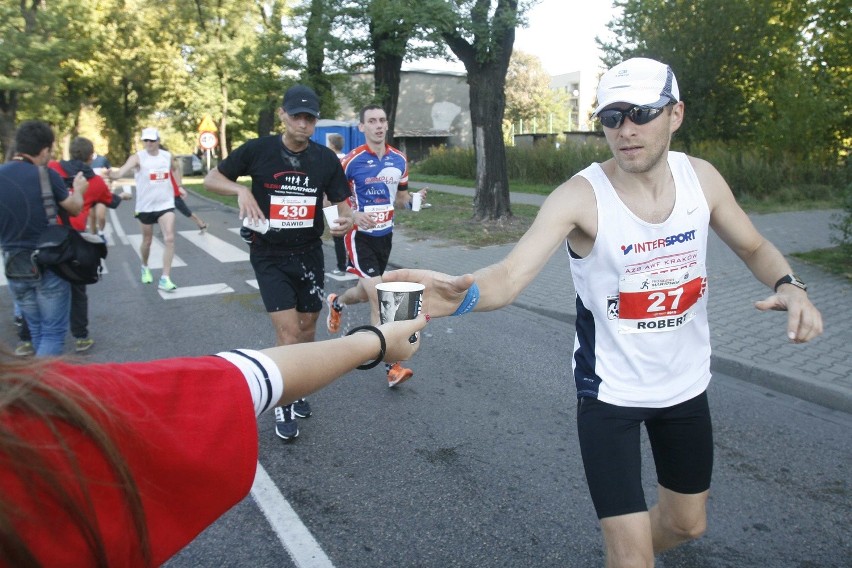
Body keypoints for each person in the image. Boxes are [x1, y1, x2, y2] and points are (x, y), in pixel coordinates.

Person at [382, 58, 823, 566]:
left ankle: (627, 551)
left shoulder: (701, 179)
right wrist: (443, 298)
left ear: (675, 114)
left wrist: (790, 285)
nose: (625, 130)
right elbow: (508, 276)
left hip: (685, 385)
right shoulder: (580, 196)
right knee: (633, 559)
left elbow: (753, 246)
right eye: (611, 117)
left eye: (640, 113)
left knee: (687, 524)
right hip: (610, 393)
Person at [0, 314, 427, 566]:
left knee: (303, 324)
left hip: (306, 271)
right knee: (287, 332)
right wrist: (374, 342)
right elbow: (238, 383)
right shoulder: (40, 424)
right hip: (275, 270)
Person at [203, 84, 354, 441]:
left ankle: (298, 381)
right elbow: (212, 178)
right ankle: (283, 401)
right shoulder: (259, 150)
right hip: (269, 255)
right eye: (297, 116)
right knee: (286, 332)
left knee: (307, 327)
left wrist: (343, 221)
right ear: (283, 115)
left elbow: (338, 205)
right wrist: (240, 189)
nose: (303, 124)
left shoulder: (324, 159)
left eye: (310, 118)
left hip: (308, 253)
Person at [325, 104, 427, 388]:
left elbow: (400, 198)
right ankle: (392, 365)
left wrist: (414, 200)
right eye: (372, 121)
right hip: (358, 236)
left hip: (385, 235)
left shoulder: (399, 159)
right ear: (362, 127)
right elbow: (330, 196)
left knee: (363, 291)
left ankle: (337, 302)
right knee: (381, 294)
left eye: (382, 120)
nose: (378, 125)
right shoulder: (350, 161)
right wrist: (344, 218)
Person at [0, 121, 86, 357]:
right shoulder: (45, 176)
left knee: (37, 330)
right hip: (47, 263)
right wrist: (79, 189)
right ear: (45, 150)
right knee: (53, 333)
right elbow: (74, 208)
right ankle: (42, 386)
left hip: (13, 265)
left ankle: (37, 382)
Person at [48, 137, 133, 352]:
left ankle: (30, 336)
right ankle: (81, 336)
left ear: (69, 151)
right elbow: (111, 201)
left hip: (48, 237)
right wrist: (122, 196)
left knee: (47, 287)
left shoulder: (51, 168)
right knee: (77, 287)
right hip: (74, 240)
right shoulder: (93, 182)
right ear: (90, 156)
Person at [107, 128, 180, 292]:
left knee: (169, 238)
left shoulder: (166, 156)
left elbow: (175, 168)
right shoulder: (138, 157)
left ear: (158, 141)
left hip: (165, 204)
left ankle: (165, 278)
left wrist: (179, 186)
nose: (148, 143)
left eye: (152, 140)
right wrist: (113, 175)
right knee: (147, 241)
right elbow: (122, 171)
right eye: (145, 140)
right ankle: (145, 266)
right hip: (146, 206)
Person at [326, 132, 348, 274]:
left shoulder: (329, 159)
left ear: (332, 145)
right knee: (350, 235)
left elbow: (326, 183)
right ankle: (353, 264)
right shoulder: (348, 158)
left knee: (338, 235)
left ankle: (341, 266)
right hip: (349, 202)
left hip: (332, 201)